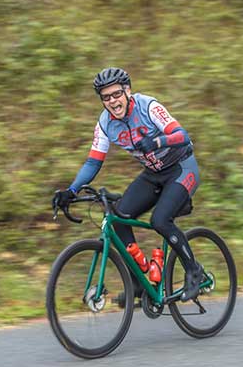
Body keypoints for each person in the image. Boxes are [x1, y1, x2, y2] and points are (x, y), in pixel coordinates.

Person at [52, 67, 204, 300]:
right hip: (153, 173)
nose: (112, 101)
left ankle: (194, 271)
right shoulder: (105, 124)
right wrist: (72, 190)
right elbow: (93, 163)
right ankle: (140, 279)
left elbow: (182, 135)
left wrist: (156, 142)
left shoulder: (148, 106)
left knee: (160, 220)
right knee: (119, 217)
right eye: (106, 97)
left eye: (116, 94)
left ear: (127, 91)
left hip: (181, 168)